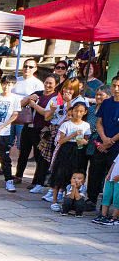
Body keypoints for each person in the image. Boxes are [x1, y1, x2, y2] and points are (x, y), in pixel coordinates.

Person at [48, 99, 91, 211]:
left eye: (81, 111)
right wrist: (72, 135)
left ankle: (69, 200)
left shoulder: (86, 125)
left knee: (74, 175)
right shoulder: (66, 124)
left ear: (85, 112)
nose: (78, 114)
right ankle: (54, 200)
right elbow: (61, 141)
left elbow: (87, 139)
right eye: (76, 111)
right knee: (60, 174)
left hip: (79, 151)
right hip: (66, 150)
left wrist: (83, 142)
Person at [88, 75, 119, 209]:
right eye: (114, 85)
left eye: (118, 86)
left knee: (111, 176)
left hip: (116, 147)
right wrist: (104, 139)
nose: (116, 89)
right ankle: (91, 200)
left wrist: (110, 141)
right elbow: (99, 122)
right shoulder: (106, 103)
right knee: (95, 172)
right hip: (101, 145)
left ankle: (106, 205)